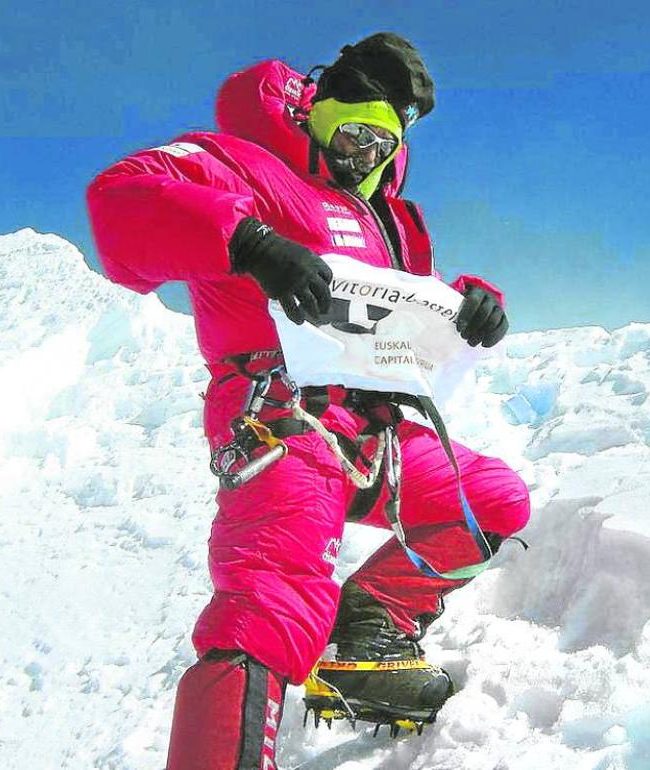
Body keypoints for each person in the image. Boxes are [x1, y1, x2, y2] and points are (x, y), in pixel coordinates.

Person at [86, 33, 530, 770]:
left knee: (489, 499)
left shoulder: (388, 219)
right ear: (316, 112)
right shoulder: (242, 163)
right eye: (353, 134)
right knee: (271, 602)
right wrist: (247, 241)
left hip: (376, 424)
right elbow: (120, 199)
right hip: (280, 416)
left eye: (381, 144)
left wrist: (472, 305)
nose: (364, 156)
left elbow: (401, 307)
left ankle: (368, 644)